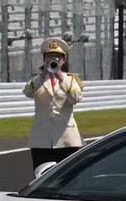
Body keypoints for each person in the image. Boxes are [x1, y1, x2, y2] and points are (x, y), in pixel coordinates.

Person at [23, 37, 84, 170]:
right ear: (44, 60)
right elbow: (27, 92)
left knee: (68, 174)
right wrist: (43, 75)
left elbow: (76, 98)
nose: (53, 60)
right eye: (49, 57)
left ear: (63, 60)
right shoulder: (38, 80)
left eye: (57, 57)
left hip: (66, 139)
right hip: (41, 139)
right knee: (41, 174)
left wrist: (61, 78)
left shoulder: (71, 79)